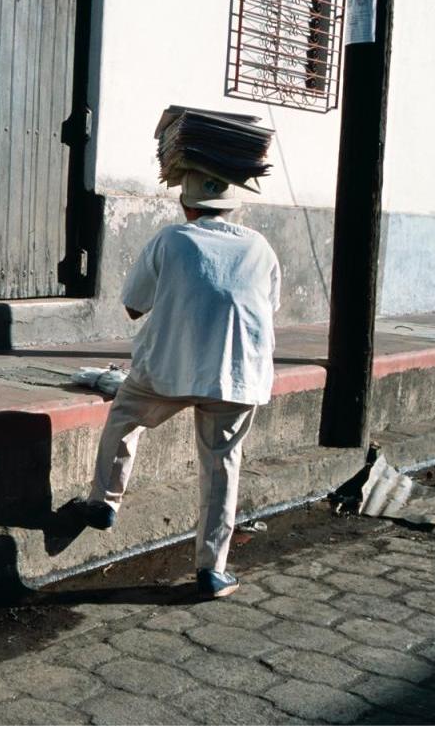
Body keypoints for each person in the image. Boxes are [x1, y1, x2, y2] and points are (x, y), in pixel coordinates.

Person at [72, 169, 281, 599]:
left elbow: (133, 307)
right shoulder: (260, 247)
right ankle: (212, 570)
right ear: (233, 206)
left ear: (186, 206)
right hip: (235, 373)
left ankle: (104, 501)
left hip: (170, 367)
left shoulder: (173, 240)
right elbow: (266, 306)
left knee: (127, 415)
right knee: (222, 464)